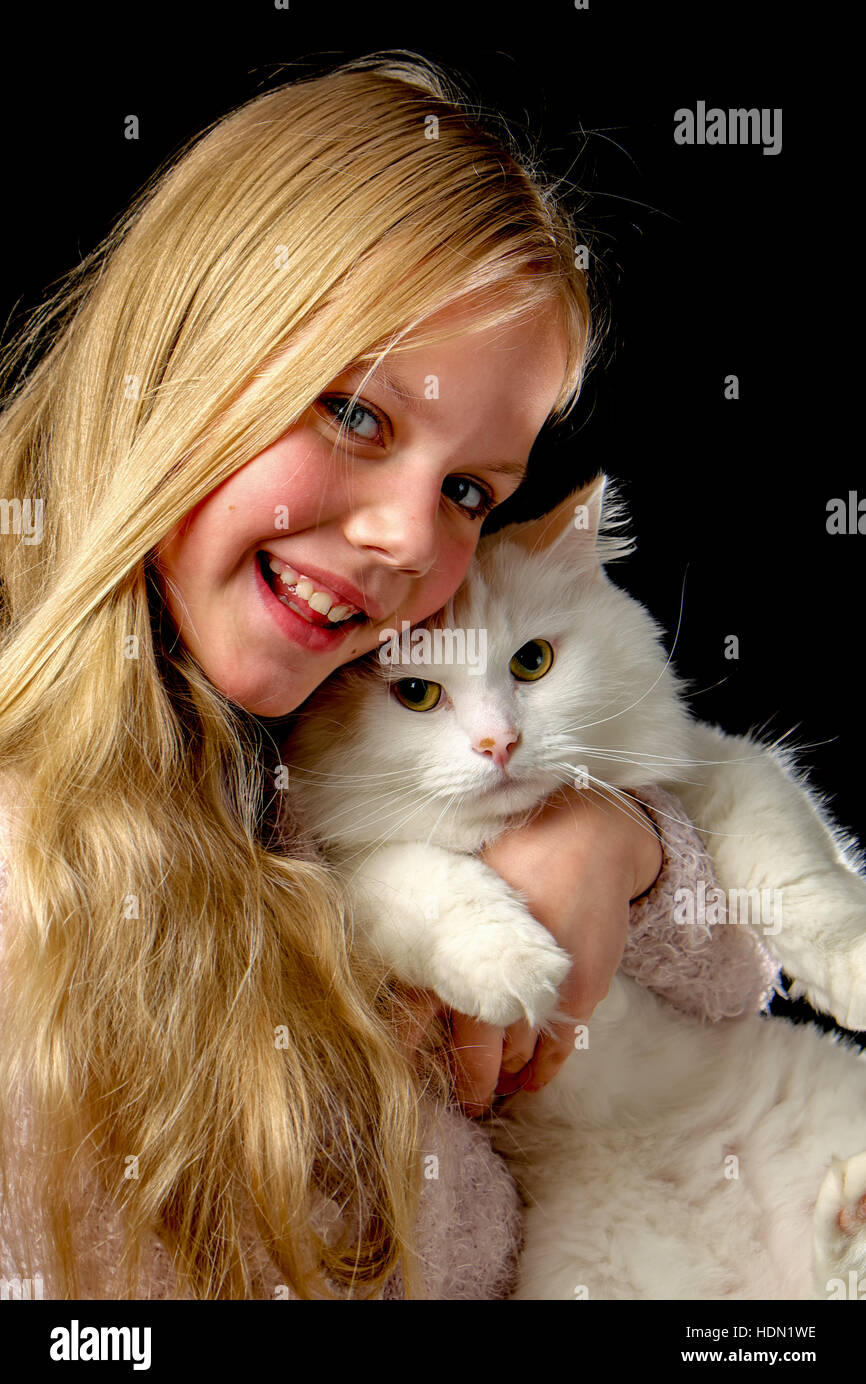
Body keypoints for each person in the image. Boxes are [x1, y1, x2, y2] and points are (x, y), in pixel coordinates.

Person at [0, 51, 663, 1300]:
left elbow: (726, 967)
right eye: (356, 416)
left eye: (468, 490)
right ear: (188, 354)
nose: (415, 543)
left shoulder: (276, 736)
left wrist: (612, 835)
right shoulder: (33, 889)